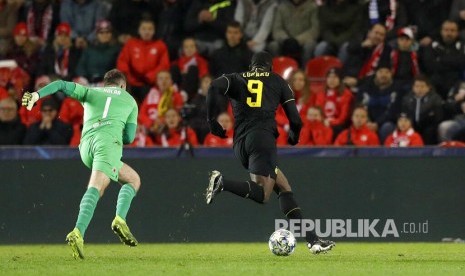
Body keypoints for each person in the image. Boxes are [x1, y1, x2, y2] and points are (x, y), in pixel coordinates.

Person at [205, 51, 335, 254]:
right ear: (270, 67)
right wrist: (293, 136)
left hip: (240, 144)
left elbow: (213, 86)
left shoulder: (236, 78)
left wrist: (212, 121)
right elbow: (296, 119)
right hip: (262, 140)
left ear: (252, 66)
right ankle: (222, 183)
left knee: (284, 187)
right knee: (262, 194)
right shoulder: (277, 81)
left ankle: (313, 240)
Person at [21, 69, 140, 259]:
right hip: (107, 143)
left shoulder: (92, 92)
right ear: (122, 85)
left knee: (133, 179)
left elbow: (60, 84)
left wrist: (36, 95)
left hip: (85, 146)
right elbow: (129, 137)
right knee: (97, 188)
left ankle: (120, 219)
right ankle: (78, 231)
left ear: (105, 84)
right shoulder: (130, 100)